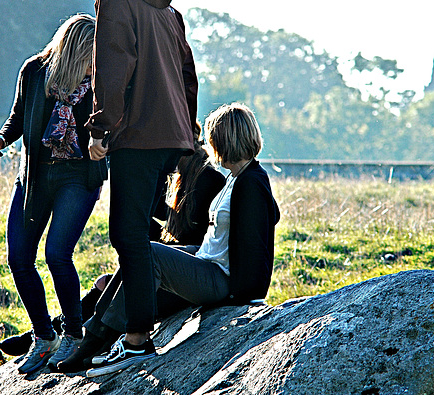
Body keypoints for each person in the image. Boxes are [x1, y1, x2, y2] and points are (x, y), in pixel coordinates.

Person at [63, 102, 280, 377]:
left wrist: (244, 296)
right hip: (206, 260)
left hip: (221, 279)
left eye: (214, 139)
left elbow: (257, 245)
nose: (209, 146)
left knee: (149, 253)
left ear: (225, 139)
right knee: (137, 258)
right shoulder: (238, 178)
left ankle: (128, 344)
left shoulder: (251, 182)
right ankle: (94, 339)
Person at [75, 0, 199, 370]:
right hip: (173, 137)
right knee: (142, 234)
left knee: (127, 237)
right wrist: (191, 130)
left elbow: (113, 67)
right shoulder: (168, 11)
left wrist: (100, 129)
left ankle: (137, 338)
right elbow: (188, 74)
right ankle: (116, 330)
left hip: (137, 137)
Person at [0, 14, 108, 373]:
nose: (93, 65)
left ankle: (74, 334)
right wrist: (1, 140)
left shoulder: (101, 81)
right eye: (88, 57)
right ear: (71, 53)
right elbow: (17, 117)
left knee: (56, 254)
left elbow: (113, 125)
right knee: (19, 257)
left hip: (79, 177)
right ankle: (43, 336)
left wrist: (104, 143)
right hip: (34, 177)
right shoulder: (34, 71)